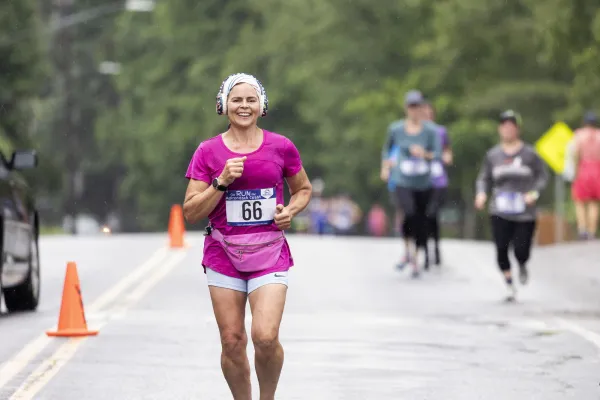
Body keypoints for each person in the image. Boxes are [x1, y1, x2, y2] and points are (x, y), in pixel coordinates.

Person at [182, 73, 312, 400]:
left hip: (270, 253)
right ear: (223, 105)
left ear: (262, 106)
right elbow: (191, 211)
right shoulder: (208, 152)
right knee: (232, 341)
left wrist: (290, 211)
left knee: (265, 337)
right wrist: (221, 182)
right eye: (236, 100)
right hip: (223, 255)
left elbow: (303, 190)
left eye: (251, 99)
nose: (244, 106)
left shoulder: (281, 147)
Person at [475, 110, 549, 302]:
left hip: (524, 211)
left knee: (521, 250)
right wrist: (481, 194)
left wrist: (533, 193)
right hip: (500, 208)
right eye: (504, 126)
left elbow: (542, 177)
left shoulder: (530, 154)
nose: (508, 129)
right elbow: (484, 178)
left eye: (511, 126)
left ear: (518, 129)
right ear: (500, 129)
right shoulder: (493, 155)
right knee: (501, 248)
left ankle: (522, 264)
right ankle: (509, 284)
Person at [381, 90, 441, 277]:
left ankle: (417, 254)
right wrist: (385, 167)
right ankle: (408, 251)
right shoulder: (396, 129)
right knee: (408, 213)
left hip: (423, 181)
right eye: (411, 107)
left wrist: (424, 154)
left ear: (422, 108)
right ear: (406, 108)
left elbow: (438, 154)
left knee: (422, 219)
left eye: (417, 107)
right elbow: (387, 150)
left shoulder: (431, 131)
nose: (414, 111)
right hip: (403, 179)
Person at [423, 101, 453, 266]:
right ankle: (426, 251)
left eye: (429, 113)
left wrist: (446, 156)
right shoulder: (415, 132)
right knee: (421, 216)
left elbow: (447, 151)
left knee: (432, 214)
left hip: (437, 181)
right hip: (419, 180)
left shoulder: (440, 131)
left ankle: (435, 247)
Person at [570, 111, 600, 240]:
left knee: (580, 201)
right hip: (597, 169)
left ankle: (582, 229)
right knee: (594, 202)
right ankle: (592, 231)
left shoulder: (579, 135)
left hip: (583, 168)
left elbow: (575, 153)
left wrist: (575, 171)